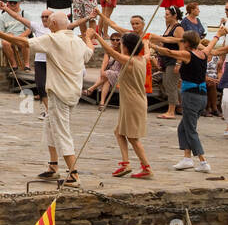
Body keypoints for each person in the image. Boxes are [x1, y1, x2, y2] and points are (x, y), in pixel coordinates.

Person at [0, 11, 97, 186]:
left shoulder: (52, 39)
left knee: (62, 131)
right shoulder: (77, 40)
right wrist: (89, 37)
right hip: (73, 92)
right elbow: (89, 54)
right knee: (49, 125)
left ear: (53, 24)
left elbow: (24, 42)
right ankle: (53, 166)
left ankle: (73, 173)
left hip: (59, 93)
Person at [149, 24, 227, 173]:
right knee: (182, 128)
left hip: (191, 96)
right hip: (202, 97)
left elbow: (168, 52)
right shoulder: (204, 53)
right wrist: (218, 33)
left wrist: (151, 44)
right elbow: (211, 43)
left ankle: (203, 162)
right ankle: (187, 159)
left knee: (190, 130)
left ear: (187, 43)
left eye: (183, 42)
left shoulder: (187, 55)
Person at [93, 20, 154, 179]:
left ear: (126, 46)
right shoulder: (142, 59)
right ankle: (125, 164)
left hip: (134, 102)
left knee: (133, 137)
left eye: (121, 43)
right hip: (130, 101)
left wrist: (98, 37)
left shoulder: (131, 61)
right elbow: (147, 53)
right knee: (119, 132)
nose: (119, 45)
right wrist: (146, 43)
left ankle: (146, 167)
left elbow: (111, 53)